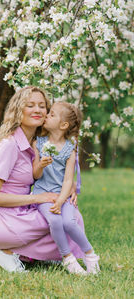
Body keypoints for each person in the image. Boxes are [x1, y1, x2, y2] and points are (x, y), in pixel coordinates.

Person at [0, 86, 85, 273]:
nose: (37, 110)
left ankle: (20, 254)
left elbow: (53, 173)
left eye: (42, 106)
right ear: (18, 110)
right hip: (1, 217)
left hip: (20, 210)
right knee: (66, 218)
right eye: (30, 105)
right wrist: (39, 198)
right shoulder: (9, 145)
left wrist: (70, 186)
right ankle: (7, 250)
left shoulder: (37, 143)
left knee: (68, 213)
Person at [32, 101, 100, 275]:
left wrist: (61, 200)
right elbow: (35, 175)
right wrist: (40, 165)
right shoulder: (38, 143)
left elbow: (68, 179)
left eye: (52, 114)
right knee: (55, 221)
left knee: (69, 222)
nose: (46, 115)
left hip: (62, 195)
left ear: (63, 125)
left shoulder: (70, 148)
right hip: (43, 194)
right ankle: (67, 258)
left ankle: (90, 255)